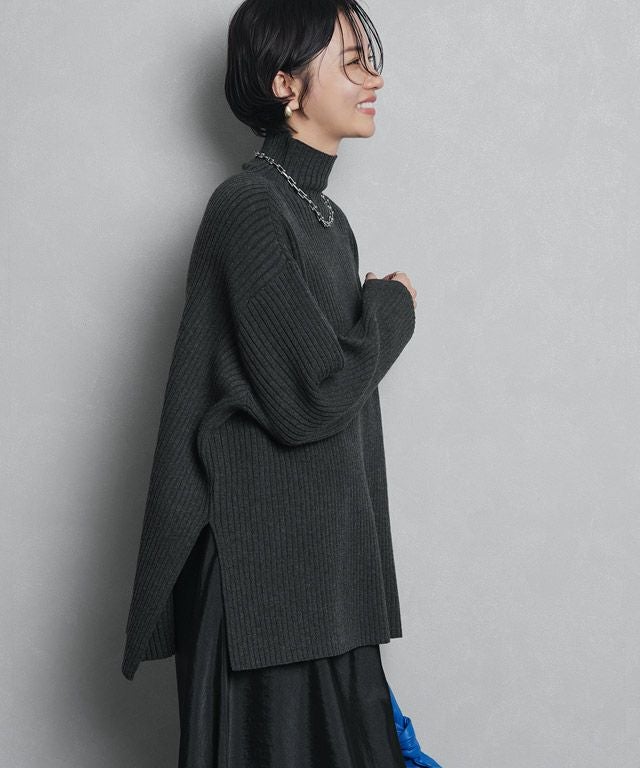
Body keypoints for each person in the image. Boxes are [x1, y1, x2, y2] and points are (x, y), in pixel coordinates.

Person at [121, 1, 443, 765]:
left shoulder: (326, 220)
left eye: (371, 60)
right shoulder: (249, 209)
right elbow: (312, 398)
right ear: (284, 84)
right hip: (260, 589)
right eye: (352, 61)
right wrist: (392, 309)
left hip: (322, 581)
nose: (374, 79)